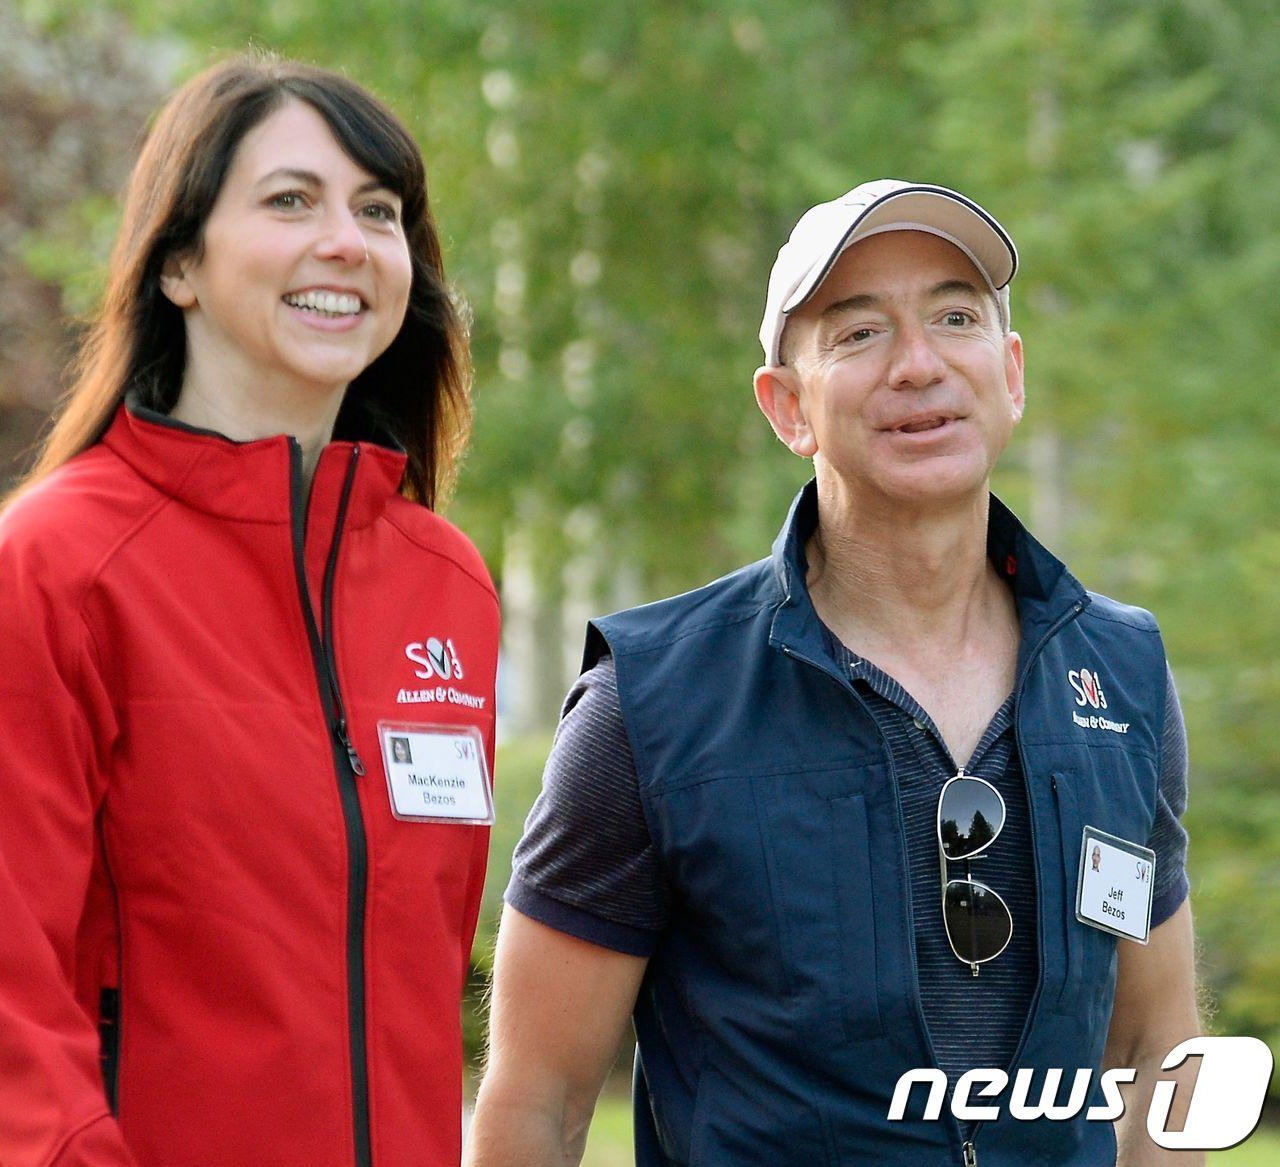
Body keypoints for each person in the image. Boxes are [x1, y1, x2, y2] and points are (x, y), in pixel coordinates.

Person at [468, 180, 1199, 1166]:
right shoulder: (650, 699)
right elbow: (537, 1103)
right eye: (857, 335)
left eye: (954, 318)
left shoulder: (1119, 672)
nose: (918, 364)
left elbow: (1157, 1053)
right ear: (786, 409)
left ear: (1010, 374)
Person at [0, 53, 499, 1167]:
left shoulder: (446, 584)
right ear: (177, 263)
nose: (345, 241)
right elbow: (4, 990)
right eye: (290, 201)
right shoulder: (60, 565)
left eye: (377, 212)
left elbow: (424, 976)